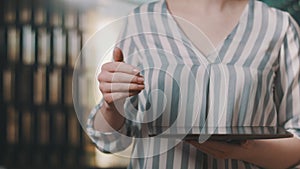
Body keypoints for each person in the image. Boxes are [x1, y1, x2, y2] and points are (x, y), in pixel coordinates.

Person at [86, 0, 300, 168]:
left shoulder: (278, 25)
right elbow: (111, 141)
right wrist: (111, 104)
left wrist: (244, 150)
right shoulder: (141, 21)